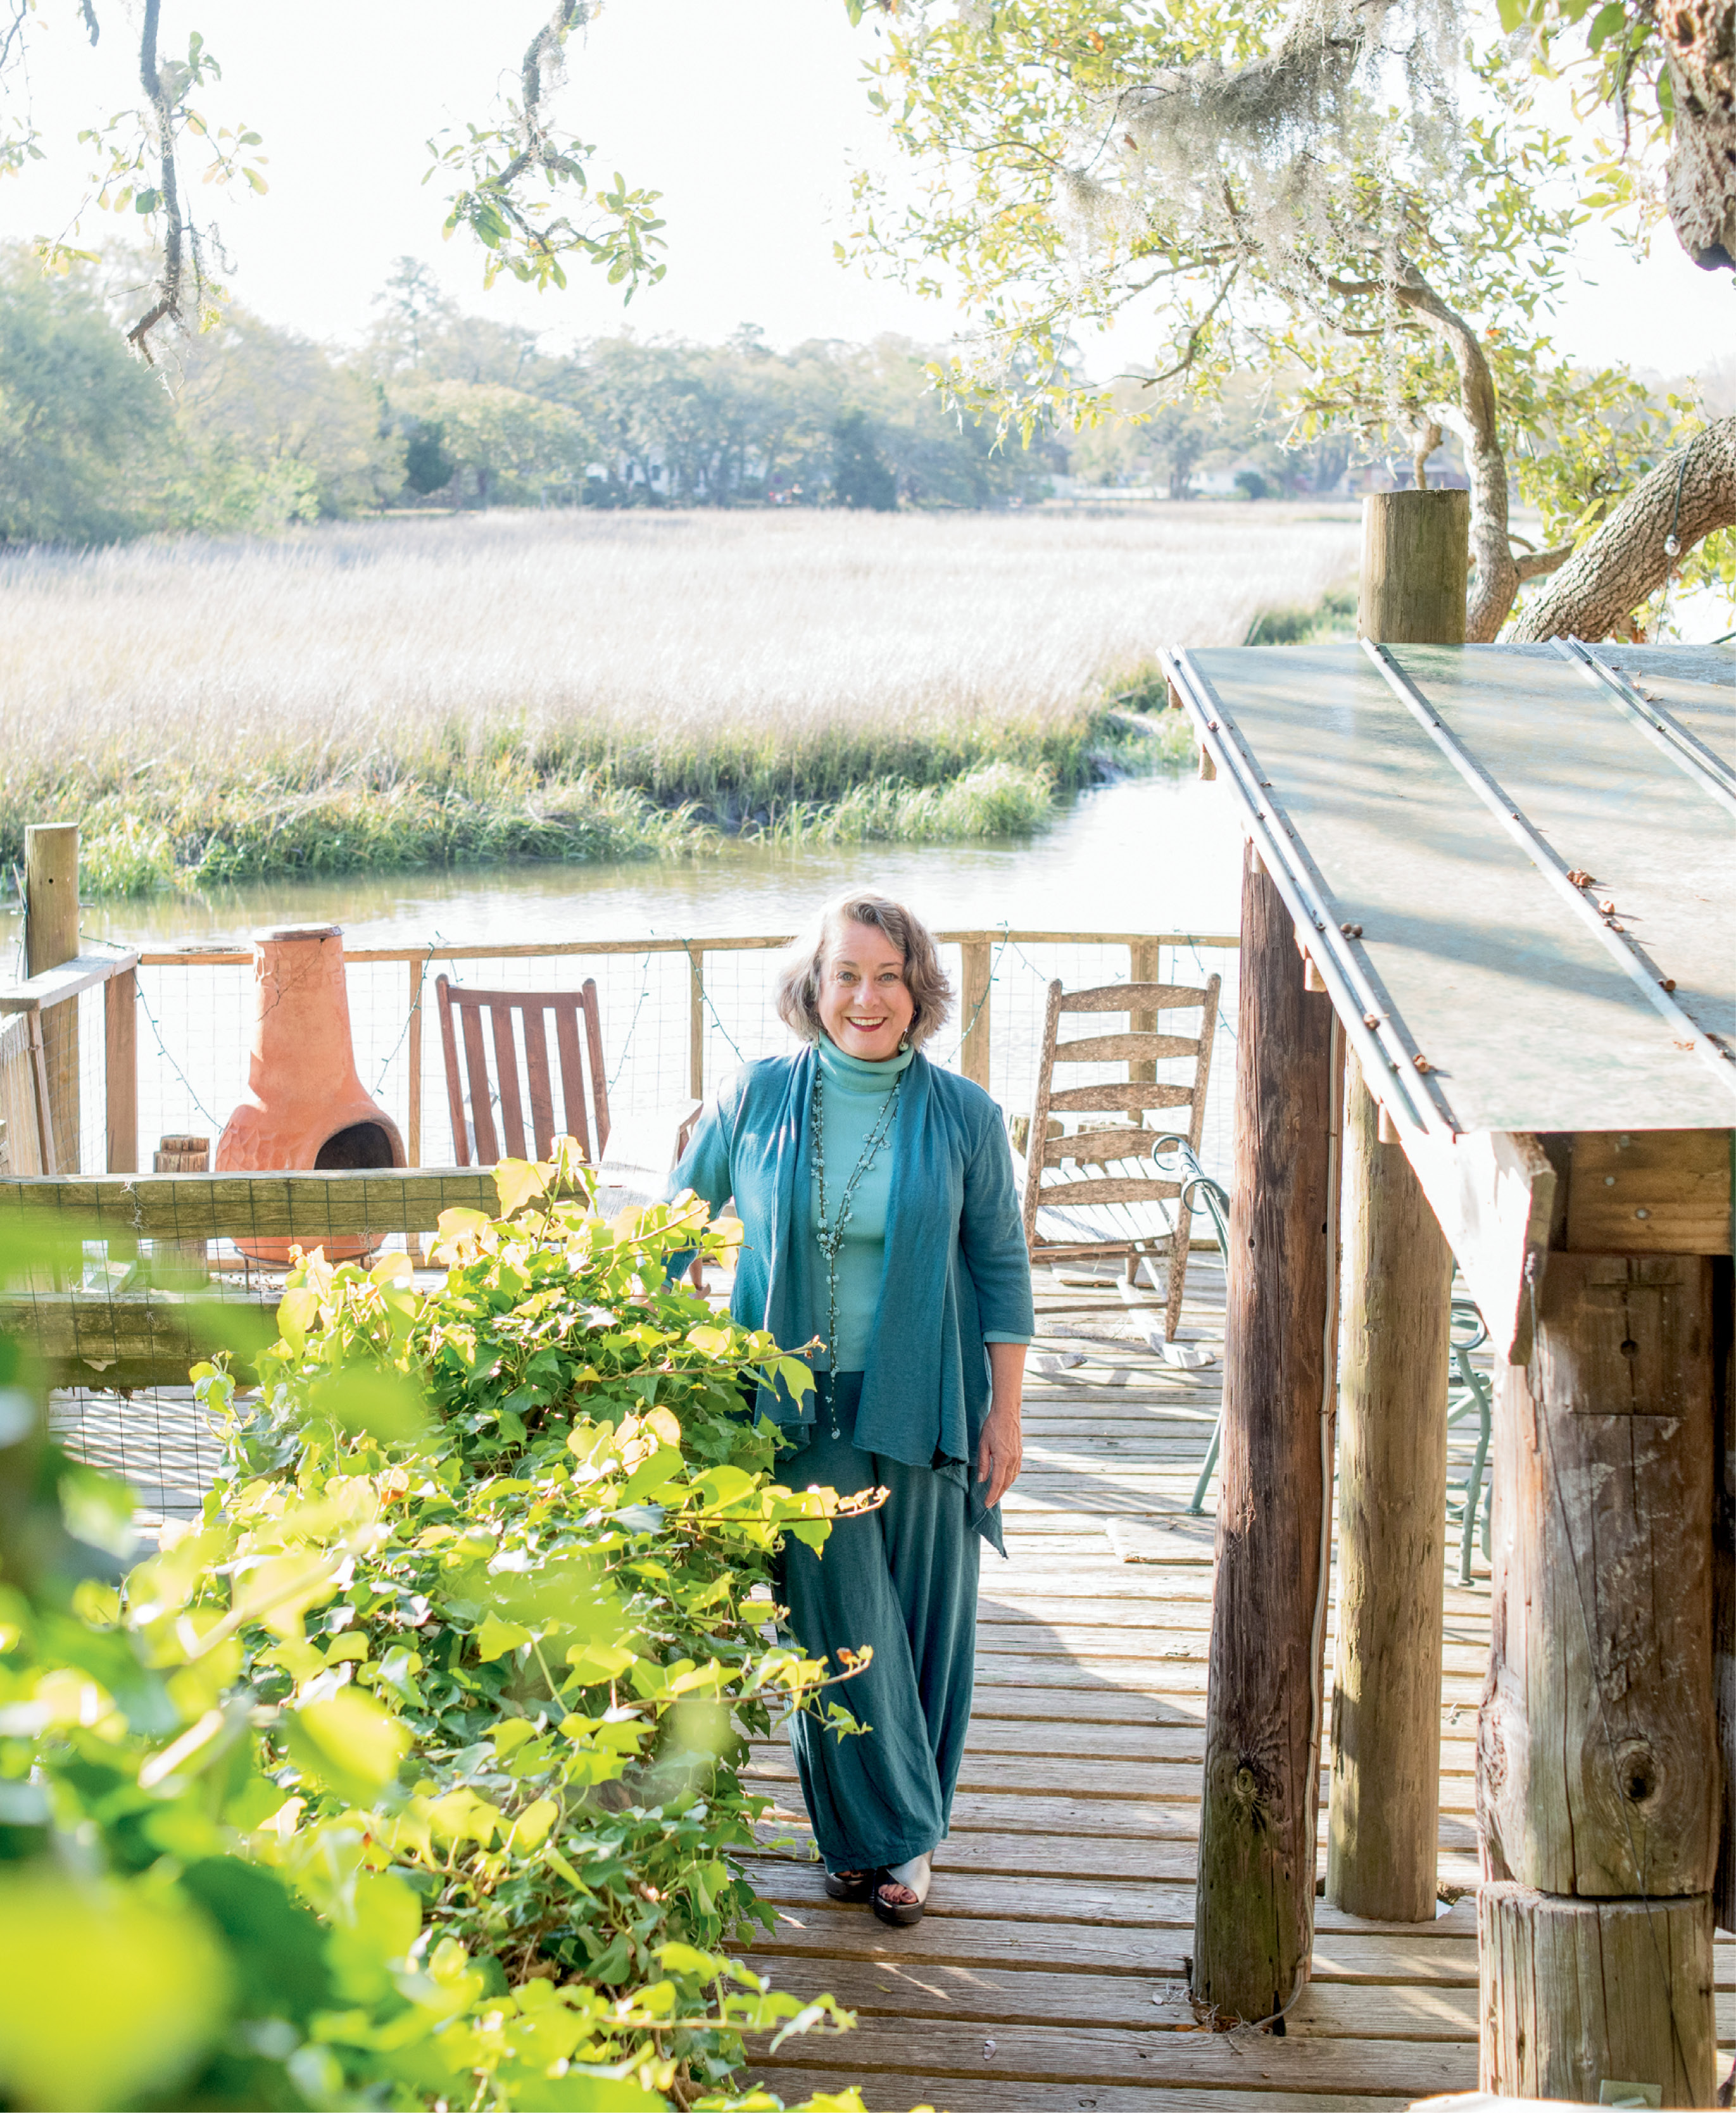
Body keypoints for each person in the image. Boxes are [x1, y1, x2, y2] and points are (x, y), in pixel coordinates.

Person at [665, 890, 1033, 1928]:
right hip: (789, 1404)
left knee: (921, 1625)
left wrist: (1005, 1414)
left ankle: (904, 1843)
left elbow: (1001, 1272)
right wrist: (665, 1337)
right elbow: (671, 1229)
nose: (866, 997)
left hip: (925, 1394)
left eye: (888, 975)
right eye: (845, 975)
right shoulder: (754, 1096)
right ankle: (873, 1832)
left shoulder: (965, 1116)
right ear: (812, 988)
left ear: (918, 990)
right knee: (830, 1623)